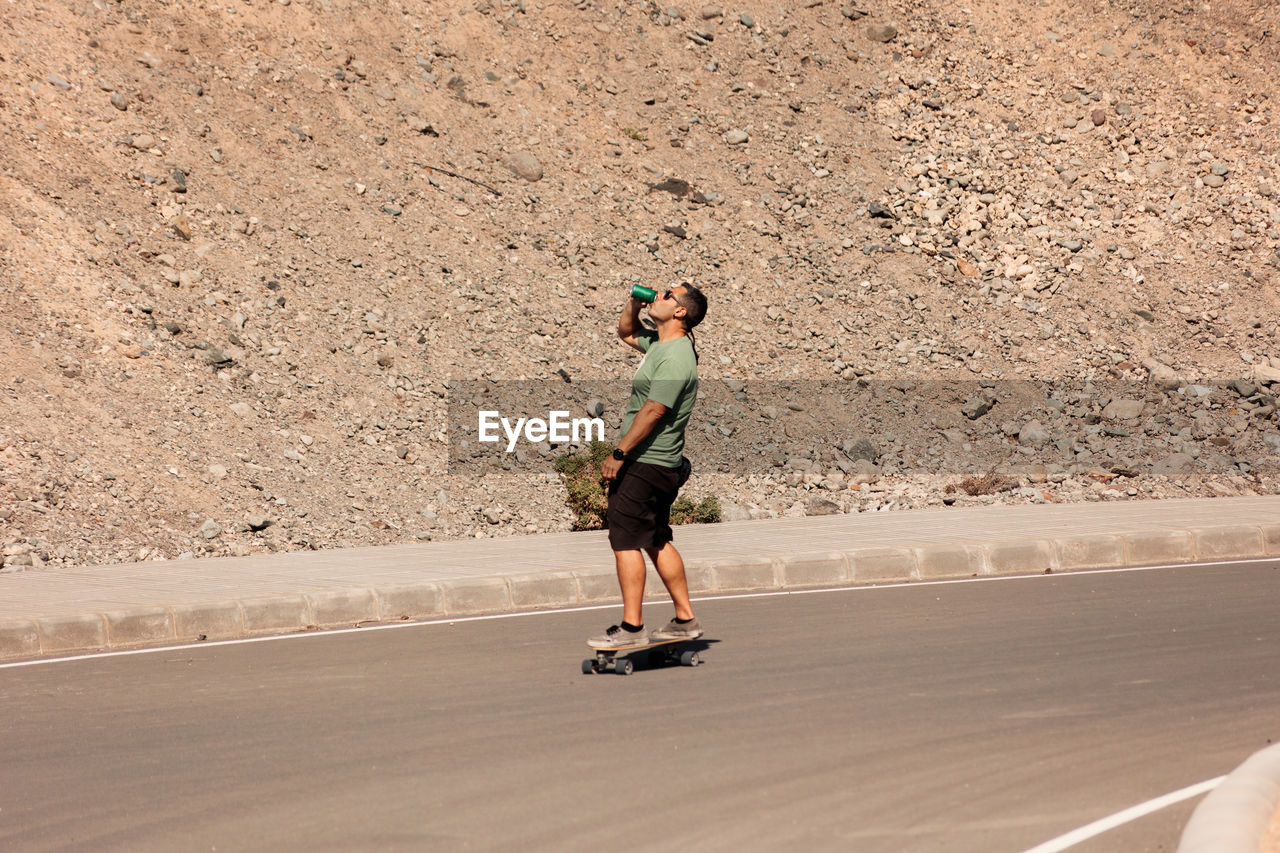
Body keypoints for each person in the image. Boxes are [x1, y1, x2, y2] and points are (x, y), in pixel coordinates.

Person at [588, 283, 708, 649]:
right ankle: (685, 619)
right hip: (660, 464)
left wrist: (619, 454)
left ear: (680, 312)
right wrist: (634, 302)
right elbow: (626, 331)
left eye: (668, 295)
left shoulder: (675, 358)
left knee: (625, 541)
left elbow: (654, 410)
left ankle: (632, 627)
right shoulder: (661, 345)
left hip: (645, 462)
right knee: (655, 538)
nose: (660, 296)